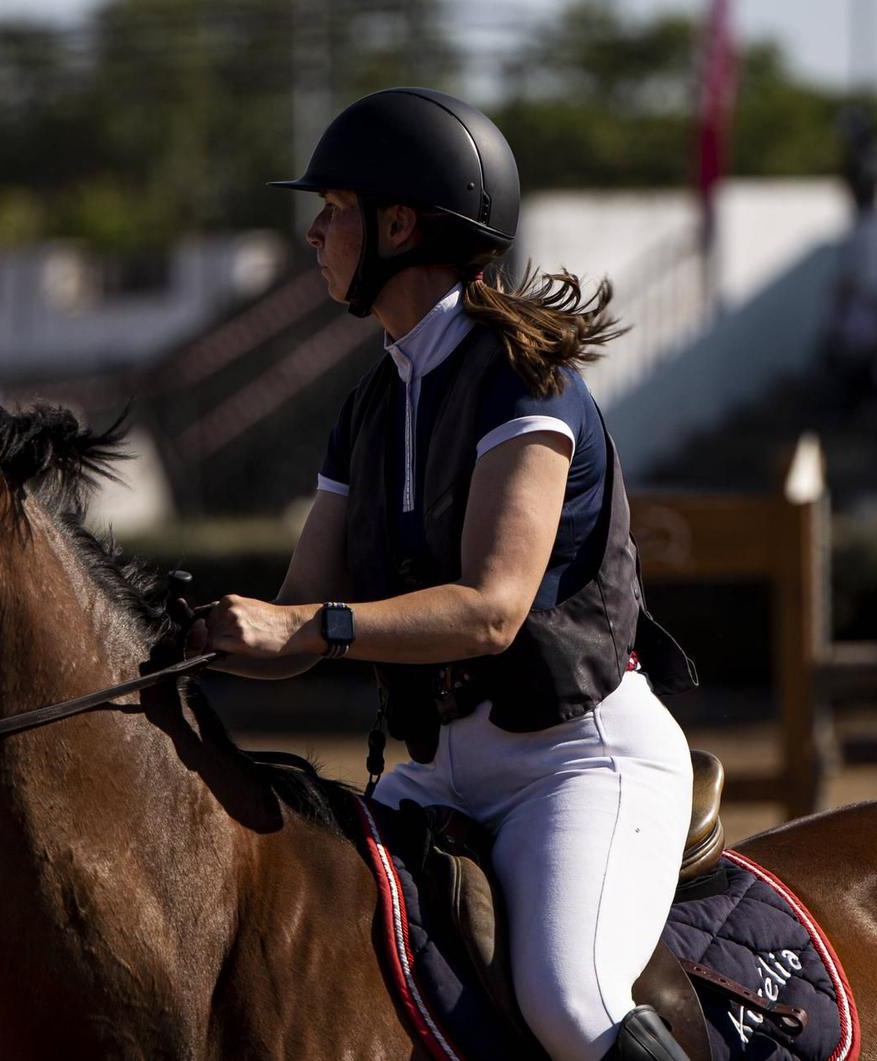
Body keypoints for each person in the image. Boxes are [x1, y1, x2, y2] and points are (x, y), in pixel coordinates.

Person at [186, 87, 701, 1061]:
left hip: (575, 762)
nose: (313, 232)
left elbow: (490, 611)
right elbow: (291, 619)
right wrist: (173, 635)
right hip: (433, 775)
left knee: (569, 1002)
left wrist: (309, 630)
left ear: (398, 223)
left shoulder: (523, 381)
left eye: (331, 207)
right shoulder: (370, 405)